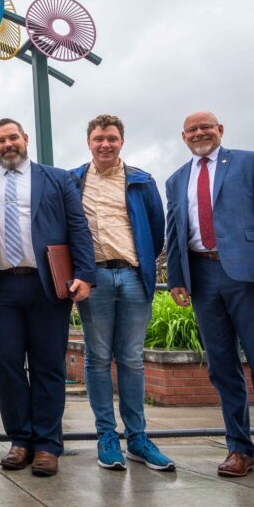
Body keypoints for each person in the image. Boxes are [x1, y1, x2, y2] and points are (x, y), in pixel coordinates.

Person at [0, 118, 94, 477]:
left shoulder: (58, 178)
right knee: (7, 365)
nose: (7, 144)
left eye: (13, 137)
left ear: (25, 139)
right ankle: (20, 439)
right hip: (0, 288)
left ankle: (47, 445)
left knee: (48, 366)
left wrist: (85, 274)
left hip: (47, 285)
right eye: (0, 140)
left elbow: (78, 225)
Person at [165, 111, 254, 488]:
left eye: (207, 127)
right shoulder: (176, 179)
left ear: (220, 130)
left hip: (252, 278)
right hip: (203, 280)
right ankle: (239, 450)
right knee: (222, 370)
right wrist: (176, 277)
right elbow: (175, 231)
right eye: (192, 129)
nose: (200, 133)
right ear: (183, 136)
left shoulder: (251, 163)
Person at [69, 115, 174, 471]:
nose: (105, 144)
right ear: (89, 142)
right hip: (93, 278)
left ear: (121, 141)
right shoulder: (73, 181)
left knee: (131, 358)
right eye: (99, 138)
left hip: (132, 276)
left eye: (112, 138)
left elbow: (157, 231)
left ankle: (138, 438)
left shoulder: (142, 181)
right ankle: (106, 436)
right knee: (97, 358)